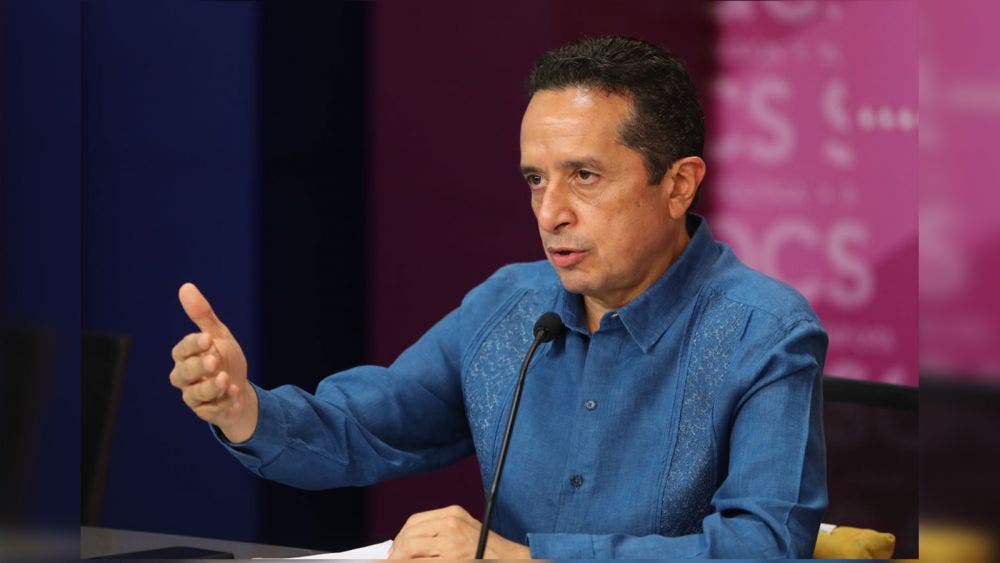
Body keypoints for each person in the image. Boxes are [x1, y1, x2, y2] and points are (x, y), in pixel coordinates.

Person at [169, 36, 828, 559]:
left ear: (678, 185)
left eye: (584, 176)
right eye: (535, 180)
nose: (550, 212)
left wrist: (527, 558)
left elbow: (765, 544)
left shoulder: (764, 331)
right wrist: (243, 406)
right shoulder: (510, 305)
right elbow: (364, 426)